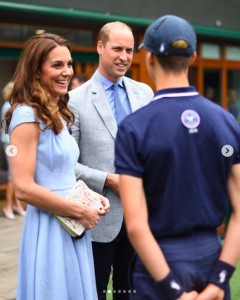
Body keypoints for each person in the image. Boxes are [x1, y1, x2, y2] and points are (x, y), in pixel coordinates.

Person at [115, 15, 240, 300]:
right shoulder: (225, 121)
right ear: (193, 57)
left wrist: (174, 290)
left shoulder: (135, 128)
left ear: (148, 58)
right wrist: (219, 281)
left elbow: (135, 225)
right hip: (211, 257)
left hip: (159, 262)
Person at [4, 33, 110, 300]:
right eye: (57, 65)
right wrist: (78, 211)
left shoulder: (58, 112)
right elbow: (24, 189)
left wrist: (92, 199)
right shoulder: (26, 115)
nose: (66, 72)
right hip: (50, 226)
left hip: (73, 222)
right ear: (36, 71)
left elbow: (62, 172)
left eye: (69, 64)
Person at [69, 21, 154, 299]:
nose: (124, 56)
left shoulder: (145, 93)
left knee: (129, 293)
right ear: (100, 47)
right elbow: (67, 164)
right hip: (97, 220)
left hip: (139, 217)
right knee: (92, 292)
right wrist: (106, 179)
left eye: (129, 50)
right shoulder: (73, 100)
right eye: (117, 48)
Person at [0, 81, 26, 219]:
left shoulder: (13, 105)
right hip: (10, 144)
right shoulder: (9, 106)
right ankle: (8, 207)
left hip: (12, 143)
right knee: (12, 176)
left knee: (15, 175)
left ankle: (16, 205)